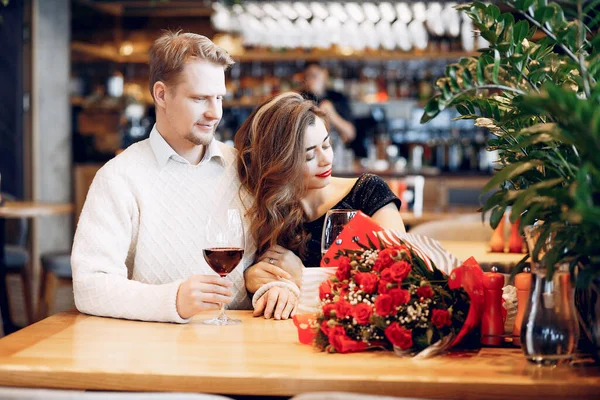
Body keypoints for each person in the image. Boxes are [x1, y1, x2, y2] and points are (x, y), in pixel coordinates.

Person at [71, 31, 290, 323]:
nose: (214, 113)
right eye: (200, 99)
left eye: (219, 98)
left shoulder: (244, 168)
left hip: (240, 348)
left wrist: (273, 286)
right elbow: (90, 286)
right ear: (161, 94)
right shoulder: (119, 177)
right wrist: (172, 300)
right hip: (154, 351)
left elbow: (264, 259)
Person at [236, 92, 406, 317]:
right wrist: (251, 279)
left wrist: (303, 277)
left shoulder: (368, 193)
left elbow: (401, 279)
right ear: (281, 163)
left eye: (326, 145)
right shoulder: (274, 210)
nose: (326, 159)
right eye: (308, 157)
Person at [301, 62, 356, 145]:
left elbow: (351, 133)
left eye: (314, 75)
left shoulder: (338, 97)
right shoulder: (301, 99)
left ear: (324, 74)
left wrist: (331, 114)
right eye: (307, 76)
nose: (311, 80)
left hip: (336, 150)